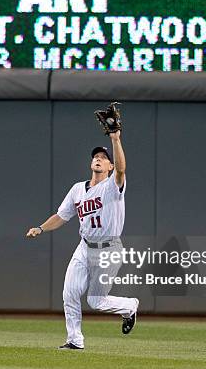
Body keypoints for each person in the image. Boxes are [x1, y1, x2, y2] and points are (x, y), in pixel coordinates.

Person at [26, 129, 138, 350]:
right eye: (96, 156)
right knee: (69, 293)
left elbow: (122, 169)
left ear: (110, 167)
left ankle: (130, 307)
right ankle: (75, 340)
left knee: (96, 302)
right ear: (91, 163)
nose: (99, 159)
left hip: (108, 249)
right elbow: (62, 216)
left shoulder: (113, 187)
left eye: (104, 158)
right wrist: (41, 228)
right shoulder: (78, 189)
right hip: (84, 247)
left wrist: (115, 139)